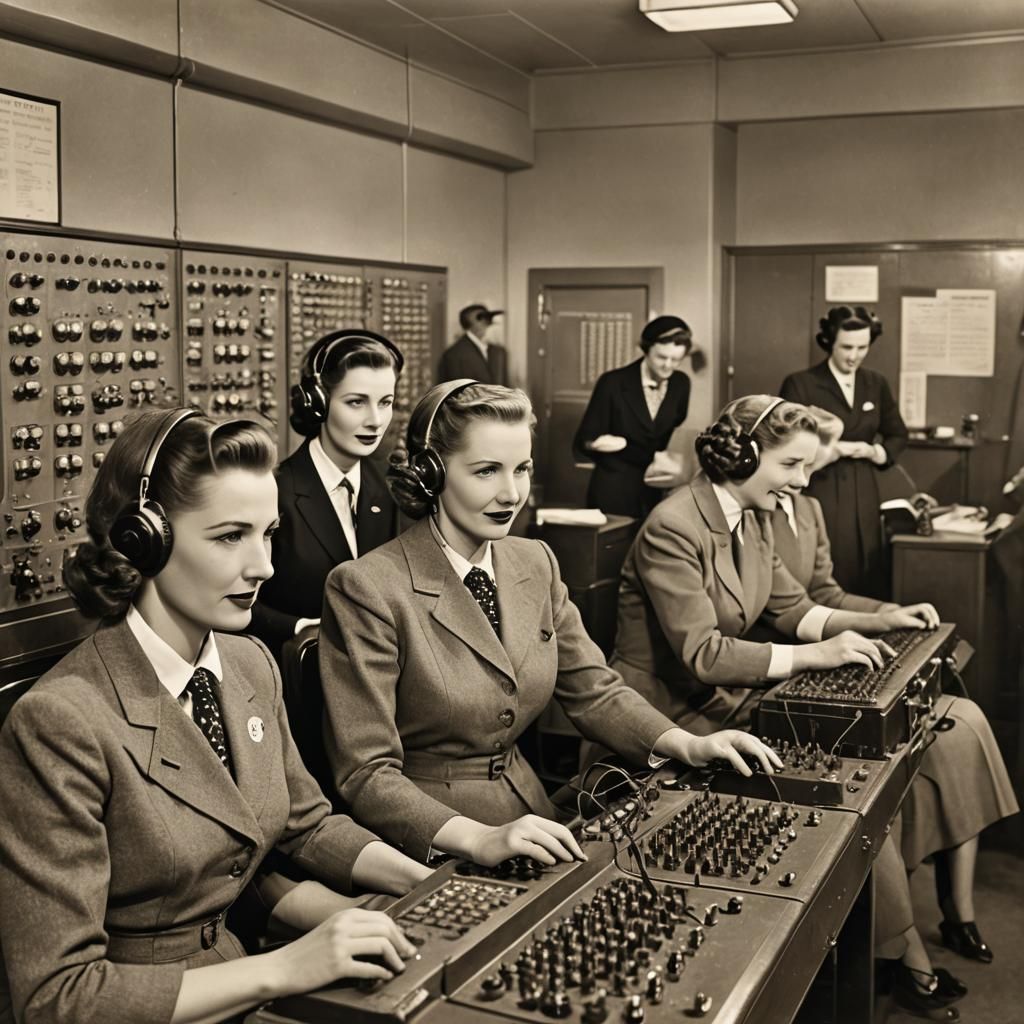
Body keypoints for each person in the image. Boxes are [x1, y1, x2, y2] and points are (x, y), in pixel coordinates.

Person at [0, 409, 430, 1024]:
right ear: (143, 538)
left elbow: (305, 827)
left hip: (240, 979)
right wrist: (285, 968)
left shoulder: (250, 661)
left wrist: (423, 882)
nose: (263, 567)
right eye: (231, 536)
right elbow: (58, 998)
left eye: (269, 534)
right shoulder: (60, 721)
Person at [601, 396, 965, 1020]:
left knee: (866, 784)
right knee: (842, 805)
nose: (802, 481)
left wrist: (879, 619)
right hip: (664, 722)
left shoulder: (754, 517)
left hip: (724, 707)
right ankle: (884, 961)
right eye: (791, 465)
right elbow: (705, 654)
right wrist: (811, 659)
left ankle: (879, 954)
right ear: (743, 456)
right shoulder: (674, 525)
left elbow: (795, 611)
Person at [317, 381, 780, 868]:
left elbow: (595, 690)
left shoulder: (535, 561)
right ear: (432, 474)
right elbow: (366, 773)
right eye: (486, 471)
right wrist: (476, 839)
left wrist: (687, 744)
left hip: (530, 812)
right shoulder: (366, 588)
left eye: (522, 469)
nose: (511, 494)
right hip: (429, 842)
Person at [771, 408, 1018, 974]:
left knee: (968, 723)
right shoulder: (758, 514)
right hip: (791, 664)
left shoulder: (805, 508)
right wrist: (853, 632)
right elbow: (791, 611)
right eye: (804, 460)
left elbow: (826, 590)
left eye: (818, 459)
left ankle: (959, 908)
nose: (811, 473)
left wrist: (889, 613)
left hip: (825, 649)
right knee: (896, 763)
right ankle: (903, 948)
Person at [249, 330, 403, 662]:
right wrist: (300, 628)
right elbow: (237, 602)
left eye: (385, 403)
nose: (375, 421)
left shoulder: (393, 488)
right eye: (356, 402)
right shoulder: (276, 491)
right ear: (318, 404)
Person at [780, 305, 908, 599]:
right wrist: (833, 449)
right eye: (846, 347)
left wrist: (876, 452)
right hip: (819, 488)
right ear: (829, 342)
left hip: (864, 490)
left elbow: (898, 434)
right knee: (826, 569)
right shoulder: (801, 383)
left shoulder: (875, 383)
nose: (854, 356)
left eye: (862, 347)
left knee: (867, 568)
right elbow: (784, 443)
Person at [573, 315, 692, 521]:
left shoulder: (681, 384)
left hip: (656, 488)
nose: (668, 366)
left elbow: (674, 422)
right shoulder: (613, 383)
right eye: (661, 357)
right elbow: (585, 440)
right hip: (614, 488)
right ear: (645, 350)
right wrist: (604, 443)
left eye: (676, 360)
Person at [437, 304, 507, 385]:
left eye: (488, 319)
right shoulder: (454, 355)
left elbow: (506, 386)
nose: (487, 323)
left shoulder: (499, 352)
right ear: (469, 322)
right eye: (481, 318)